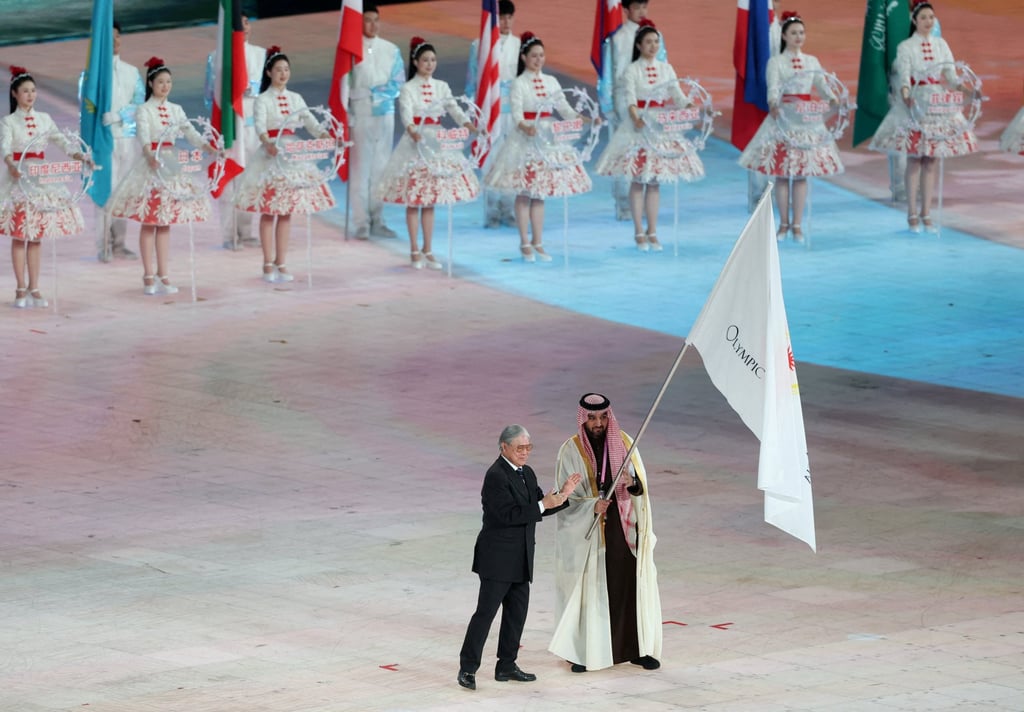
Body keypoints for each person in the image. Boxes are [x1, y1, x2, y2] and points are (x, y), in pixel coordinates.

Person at [458, 424, 582, 691]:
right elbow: (506, 515)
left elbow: (537, 508)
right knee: (485, 614)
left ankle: (506, 664)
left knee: (516, 614)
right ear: (504, 447)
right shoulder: (496, 476)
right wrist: (543, 504)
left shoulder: (527, 472)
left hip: (521, 557)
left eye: (528, 448)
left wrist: (562, 496)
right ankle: (468, 668)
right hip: (497, 559)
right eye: (519, 448)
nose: (525, 453)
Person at [549, 393, 662, 674]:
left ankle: (636, 649)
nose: (598, 423)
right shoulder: (570, 451)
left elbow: (641, 487)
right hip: (589, 535)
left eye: (602, 417)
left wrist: (631, 481)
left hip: (623, 531)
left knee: (628, 588)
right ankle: (583, 653)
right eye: (591, 418)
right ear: (583, 419)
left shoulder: (624, 443)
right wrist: (591, 506)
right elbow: (563, 500)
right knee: (589, 595)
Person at [106, 57, 214, 296]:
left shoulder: (176, 110)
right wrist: (150, 155)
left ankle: (163, 275)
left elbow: (190, 132)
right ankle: (148, 276)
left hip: (172, 164)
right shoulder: (144, 110)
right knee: (150, 221)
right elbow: (144, 136)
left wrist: (207, 146)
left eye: (168, 82)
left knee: (165, 222)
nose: (165, 86)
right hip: (152, 166)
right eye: (161, 82)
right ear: (151, 83)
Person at [484, 32, 594, 263]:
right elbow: (516, 114)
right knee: (525, 192)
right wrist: (526, 126)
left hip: (547, 138)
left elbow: (564, 109)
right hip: (525, 140)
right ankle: (524, 242)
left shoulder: (551, 81)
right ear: (524, 57)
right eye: (534, 56)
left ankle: (538, 242)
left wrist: (585, 119)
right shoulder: (518, 83)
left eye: (541, 55)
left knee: (539, 193)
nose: (538, 60)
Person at [869, 0, 977, 233]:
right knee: (915, 158)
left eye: (931, 17)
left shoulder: (941, 44)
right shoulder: (906, 47)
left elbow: (951, 77)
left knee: (931, 159)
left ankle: (926, 213)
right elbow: (904, 77)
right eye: (924, 18)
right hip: (916, 104)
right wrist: (906, 95)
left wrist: (969, 91)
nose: (928, 21)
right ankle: (912, 215)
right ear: (914, 21)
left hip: (937, 103)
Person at [595, 19, 704, 251]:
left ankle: (652, 231)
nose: (653, 46)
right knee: (638, 179)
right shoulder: (632, 70)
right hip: (640, 127)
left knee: (654, 181)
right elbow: (630, 99)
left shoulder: (666, 69)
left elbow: (677, 95)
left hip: (660, 127)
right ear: (639, 45)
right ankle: (638, 232)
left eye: (656, 41)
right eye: (648, 42)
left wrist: (690, 106)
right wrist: (636, 118)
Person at [738, 11, 843, 242]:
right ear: (784, 36)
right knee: (783, 174)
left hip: (807, 122)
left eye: (801, 33)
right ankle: (784, 224)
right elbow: (773, 87)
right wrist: (773, 104)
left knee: (802, 174)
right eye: (794, 33)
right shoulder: (776, 62)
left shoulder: (812, 61)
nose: (798, 37)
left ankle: (797, 225)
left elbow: (822, 85)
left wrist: (833, 98)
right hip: (784, 120)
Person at [376, 37, 479, 271]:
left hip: (436, 142)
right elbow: (406, 113)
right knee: (415, 199)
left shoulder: (441, 86)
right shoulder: (408, 88)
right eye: (425, 60)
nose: (430, 64)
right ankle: (414, 249)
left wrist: (467, 123)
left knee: (430, 200)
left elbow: (453, 108)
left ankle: (428, 249)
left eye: (433, 60)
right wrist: (412, 129)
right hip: (416, 143)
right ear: (416, 62)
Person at [234, 47, 336, 283]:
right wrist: (267, 142)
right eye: (278, 70)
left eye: (286, 69)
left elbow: (310, 122)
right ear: (269, 72)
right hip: (271, 155)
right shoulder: (262, 100)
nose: (283, 74)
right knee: (270, 210)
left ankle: (281, 262)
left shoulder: (295, 98)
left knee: (286, 211)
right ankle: (267, 263)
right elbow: (260, 126)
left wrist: (324, 135)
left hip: (292, 154)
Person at [1, 66, 91, 308]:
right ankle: (20, 289)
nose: (30, 95)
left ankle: (35, 287)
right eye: (25, 91)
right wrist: (11, 165)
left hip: (40, 178)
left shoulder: (45, 119)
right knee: (21, 234)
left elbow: (61, 140)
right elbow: (5, 147)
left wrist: (79, 155)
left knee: (36, 235)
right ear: (14, 94)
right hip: (19, 178)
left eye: (33, 90)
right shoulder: (8, 122)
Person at [204, 13, 265, 250]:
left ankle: (246, 231)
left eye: (247, 23)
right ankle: (230, 234)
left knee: (251, 181)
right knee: (230, 181)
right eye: (239, 24)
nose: (244, 27)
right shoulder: (216, 57)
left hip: (254, 128)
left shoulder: (262, 55)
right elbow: (210, 96)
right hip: (229, 130)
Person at [602, 0, 665, 221]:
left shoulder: (656, 36)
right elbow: (607, 75)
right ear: (626, 10)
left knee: (650, 151)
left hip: (650, 101)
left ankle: (647, 204)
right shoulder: (616, 39)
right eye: (637, 7)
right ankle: (624, 204)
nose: (641, 12)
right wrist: (609, 107)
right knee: (625, 153)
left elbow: (662, 67)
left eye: (644, 7)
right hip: (624, 100)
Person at [346, 2, 403, 240]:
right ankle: (361, 222)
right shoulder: (350, 50)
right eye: (367, 20)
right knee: (361, 170)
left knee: (381, 169)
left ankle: (378, 218)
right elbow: (344, 86)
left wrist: (377, 93)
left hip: (385, 116)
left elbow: (398, 82)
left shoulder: (391, 50)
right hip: (361, 116)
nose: (373, 25)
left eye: (376, 20)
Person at [465, 0, 519, 228]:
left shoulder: (519, 45)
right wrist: (473, 112)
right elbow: (472, 80)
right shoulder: (480, 44)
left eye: (509, 17)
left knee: (511, 159)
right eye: (502, 17)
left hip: (513, 111)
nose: (505, 22)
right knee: (490, 160)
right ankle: (491, 210)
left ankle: (509, 209)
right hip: (489, 111)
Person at [96, 21, 143, 262]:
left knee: (124, 192)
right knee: (106, 192)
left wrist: (118, 116)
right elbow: (87, 108)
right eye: (110, 37)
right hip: (105, 142)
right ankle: (103, 244)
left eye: (118, 36)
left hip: (127, 138)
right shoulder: (92, 74)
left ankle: (120, 244)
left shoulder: (132, 72)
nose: (115, 41)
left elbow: (139, 102)